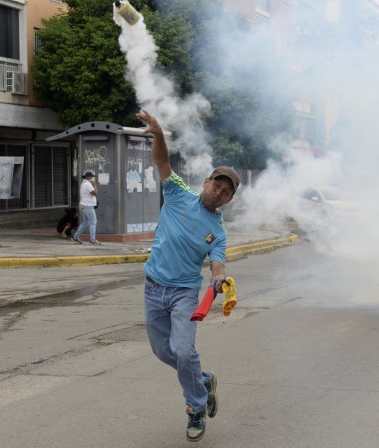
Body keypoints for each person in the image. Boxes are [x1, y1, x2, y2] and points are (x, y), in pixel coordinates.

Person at [136, 109, 240, 442]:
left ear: (228, 199)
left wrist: (219, 278)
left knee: (183, 350)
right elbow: (162, 162)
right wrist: (160, 134)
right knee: (163, 352)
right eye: (216, 184)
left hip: (183, 294)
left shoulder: (218, 230)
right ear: (206, 182)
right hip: (153, 288)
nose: (218, 192)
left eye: (225, 192)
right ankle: (204, 380)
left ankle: (195, 408)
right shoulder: (178, 192)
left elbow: (217, 262)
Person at [72, 171, 101, 245]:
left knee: (85, 222)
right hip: (88, 206)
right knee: (93, 222)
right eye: (92, 177)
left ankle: (75, 236)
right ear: (88, 177)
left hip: (83, 205)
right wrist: (94, 185)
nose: (92, 178)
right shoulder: (88, 184)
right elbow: (95, 193)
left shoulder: (83, 183)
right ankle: (92, 240)